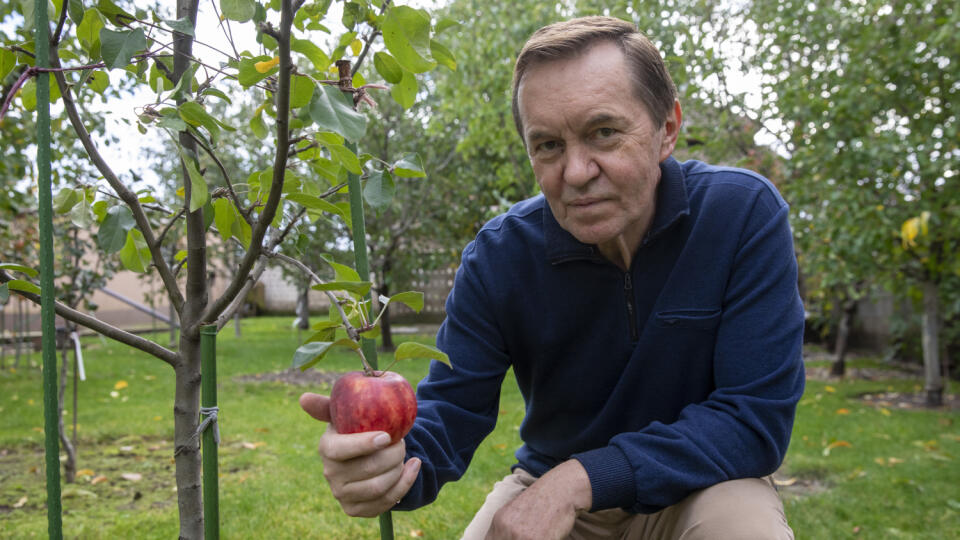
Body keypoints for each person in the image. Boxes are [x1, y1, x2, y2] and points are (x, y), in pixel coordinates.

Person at [300, 15, 805, 540]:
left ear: (667, 130)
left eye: (603, 133)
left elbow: (753, 419)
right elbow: (452, 411)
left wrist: (579, 479)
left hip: (698, 487)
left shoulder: (740, 215)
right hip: (546, 485)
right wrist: (389, 463)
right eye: (548, 146)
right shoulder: (500, 256)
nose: (576, 172)